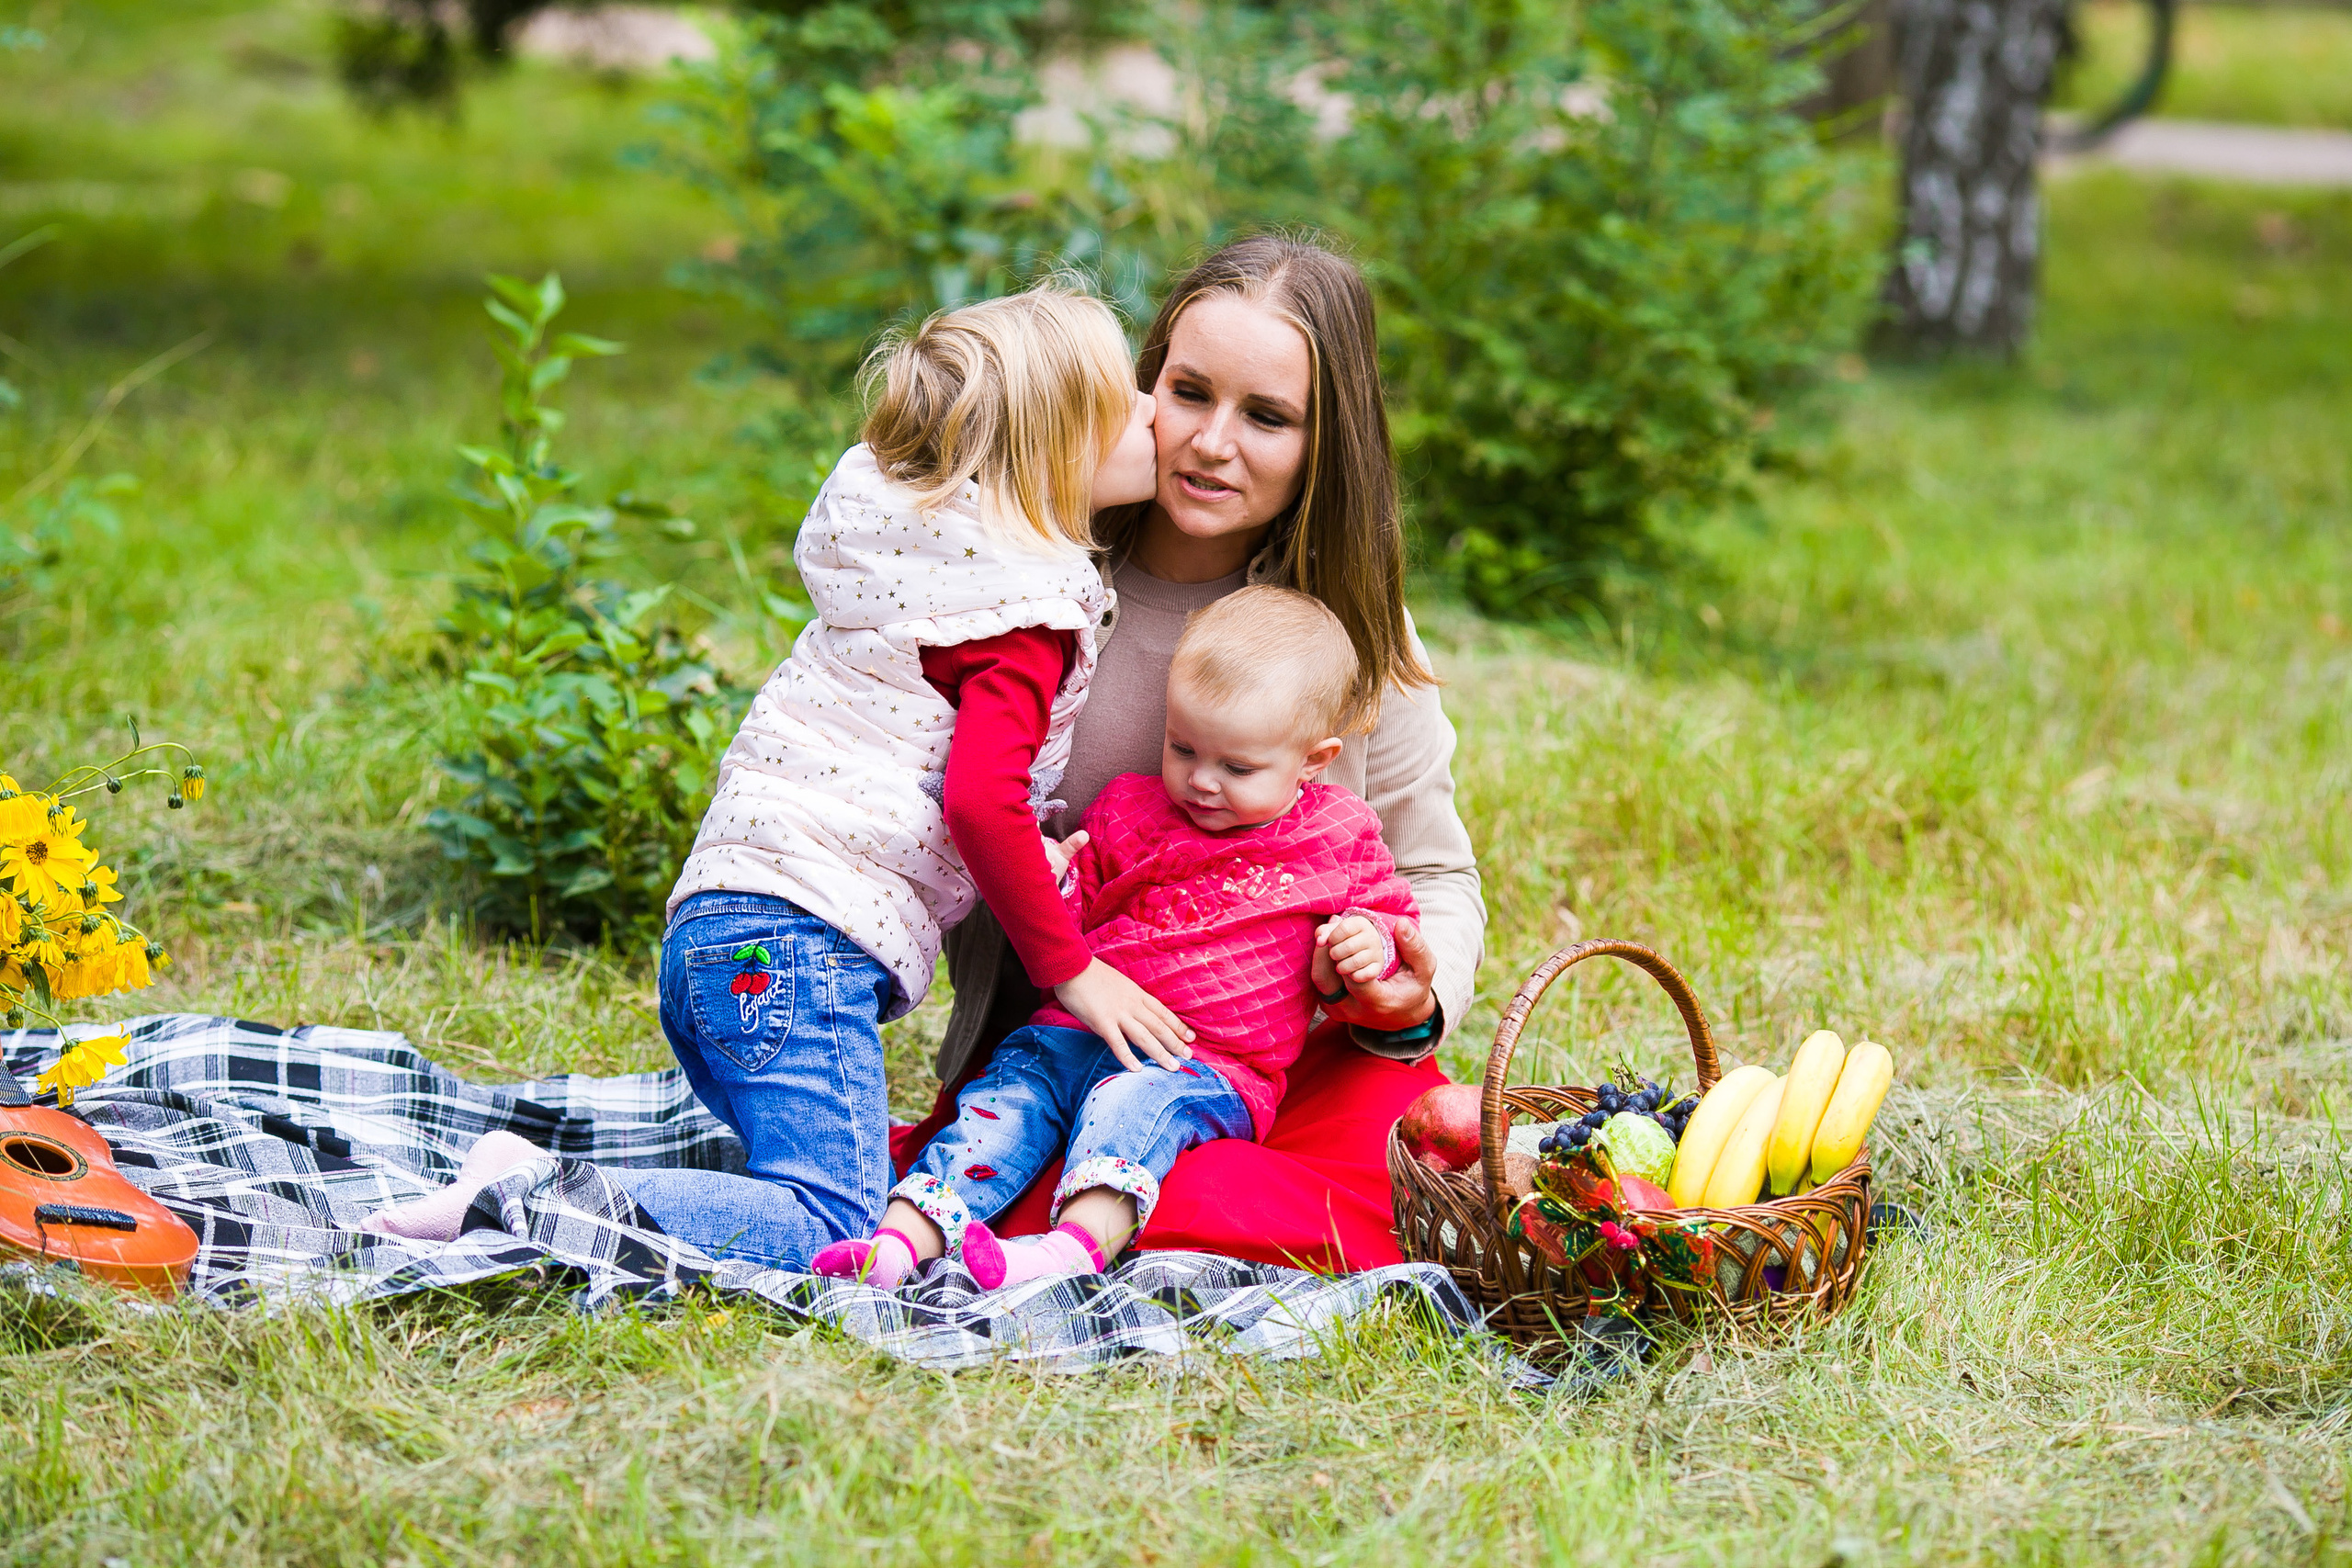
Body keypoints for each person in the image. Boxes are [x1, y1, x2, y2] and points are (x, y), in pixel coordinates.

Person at [366, 284, 1179, 1262]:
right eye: (1124, 401)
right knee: (830, 1216)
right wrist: (1072, 969)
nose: (1151, 410)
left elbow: (906, 759)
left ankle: (527, 1179)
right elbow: (976, 799)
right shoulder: (1016, 617)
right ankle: (533, 1195)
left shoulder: (915, 567)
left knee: (793, 1178)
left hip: (721, 934)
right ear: (1053, 449)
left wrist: (1039, 855)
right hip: (796, 957)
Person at [917, 234, 1486, 1273]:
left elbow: (1436, 870)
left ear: (1325, 442)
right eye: (1189, 392)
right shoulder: (1035, 581)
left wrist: (1412, 991)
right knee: (1039, 1162)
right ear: (1143, 388)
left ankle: (1108, 1222)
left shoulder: (1356, 633)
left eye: (1266, 417)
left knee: (1386, 1181)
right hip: (1072, 1035)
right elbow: (948, 810)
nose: (1212, 443)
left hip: (1274, 1068)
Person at [815, 588, 1417, 1290]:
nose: (1201, 780)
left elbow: (1392, 916)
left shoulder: (1335, 836)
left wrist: (1368, 943)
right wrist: (1055, 879)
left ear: (1314, 760)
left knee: (1128, 1111)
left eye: (1238, 768)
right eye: (1182, 747)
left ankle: (1065, 1252)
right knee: (1000, 1103)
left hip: (1202, 1062)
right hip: (1071, 1031)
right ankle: (900, 1240)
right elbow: (1068, 925)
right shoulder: (1130, 809)